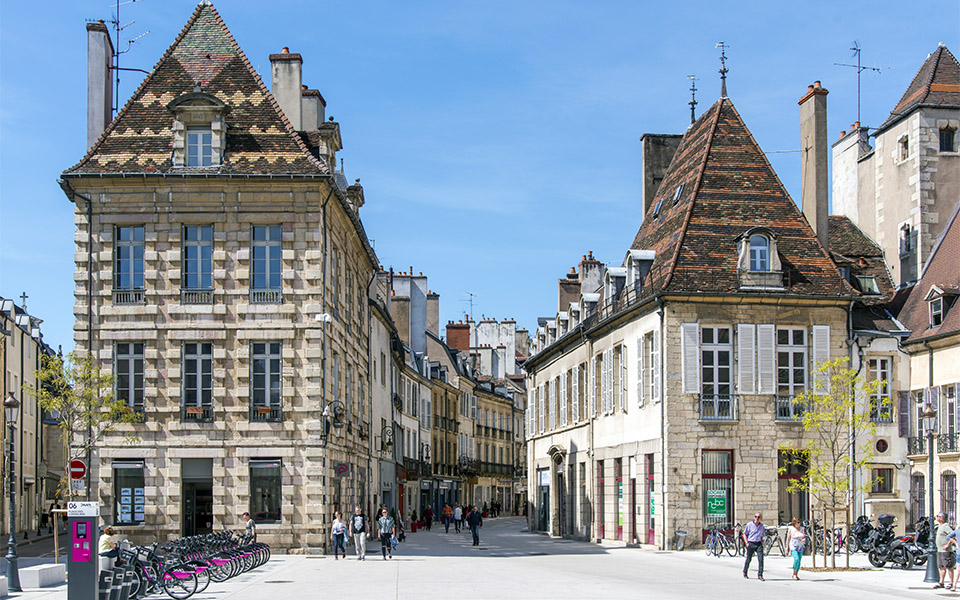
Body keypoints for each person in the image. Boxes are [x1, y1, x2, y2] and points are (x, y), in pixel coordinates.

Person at [742, 512, 765, 581]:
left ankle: (760, 575)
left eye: (758, 517)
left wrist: (762, 543)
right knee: (749, 559)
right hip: (751, 543)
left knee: (761, 559)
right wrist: (746, 543)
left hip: (758, 543)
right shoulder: (749, 525)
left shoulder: (762, 526)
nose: (757, 518)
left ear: (760, 518)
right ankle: (745, 571)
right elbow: (745, 534)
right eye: (755, 517)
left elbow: (762, 535)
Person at [936, 512, 956, 589]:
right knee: (941, 567)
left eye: (938, 516)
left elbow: (953, 535)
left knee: (949, 566)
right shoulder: (940, 526)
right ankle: (941, 582)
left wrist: (948, 545)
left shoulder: (946, 526)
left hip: (946, 551)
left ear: (942, 518)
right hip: (940, 550)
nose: (936, 517)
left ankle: (951, 583)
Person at [943, 522, 960, 591]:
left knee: (958, 570)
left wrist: (955, 543)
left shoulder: (957, 531)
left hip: (958, 552)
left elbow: (948, 536)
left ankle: (954, 586)